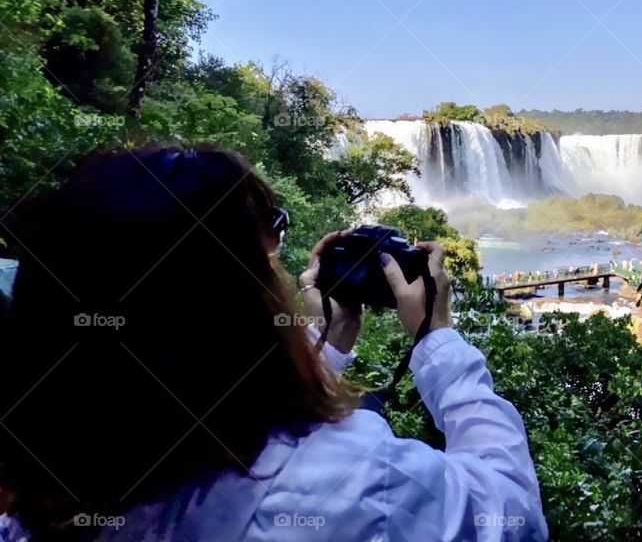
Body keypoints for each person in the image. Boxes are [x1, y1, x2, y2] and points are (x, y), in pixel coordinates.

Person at [0, 147, 547, 542]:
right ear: (233, 300)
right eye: (271, 238)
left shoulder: (36, 500)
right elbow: (511, 512)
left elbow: (194, 394)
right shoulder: (349, 486)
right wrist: (437, 340)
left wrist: (324, 347)